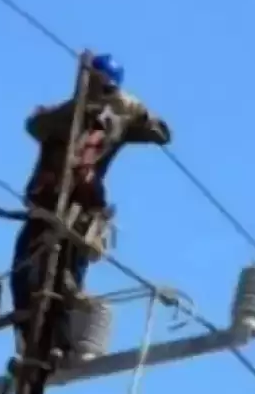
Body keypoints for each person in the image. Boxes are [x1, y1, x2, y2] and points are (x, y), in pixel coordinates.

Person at [11, 52, 170, 361]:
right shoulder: (61, 117)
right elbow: (34, 125)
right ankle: (30, 343)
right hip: (44, 210)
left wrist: (135, 109)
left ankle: (58, 346)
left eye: (105, 88)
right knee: (25, 276)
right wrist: (78, 107)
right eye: (94, 85)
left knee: (65, 280)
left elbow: (162, 133)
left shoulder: (114, 123)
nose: (99, 93)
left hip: (80, 215)